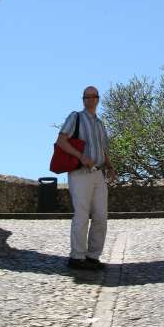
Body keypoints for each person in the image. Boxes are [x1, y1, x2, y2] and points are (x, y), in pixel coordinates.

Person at [56, 85, 116, 270]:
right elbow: (61, 141)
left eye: (93, 96)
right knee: (81, 214)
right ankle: (77, 257)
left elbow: (104, 148)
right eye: (86, 97)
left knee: (101, 216)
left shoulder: (100, 124)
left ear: (98, 99)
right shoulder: (76, 117)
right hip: (80, 172)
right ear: (83, 100)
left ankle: (92, 256)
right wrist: (81, 156)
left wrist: (110, 166)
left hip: (98, 173)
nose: (89, 99)